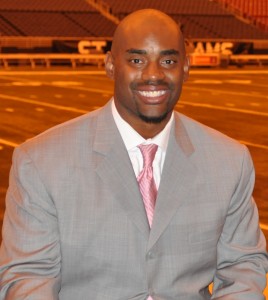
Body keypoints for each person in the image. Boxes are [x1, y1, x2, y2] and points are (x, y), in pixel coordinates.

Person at [0, 9, 267, 300]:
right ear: (111, 66)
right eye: (137, 60)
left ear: (186, 68)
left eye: (168, 61)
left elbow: (242, 266)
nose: (153, 75)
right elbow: (29, 277)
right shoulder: (41, 162)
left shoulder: (229, 160)